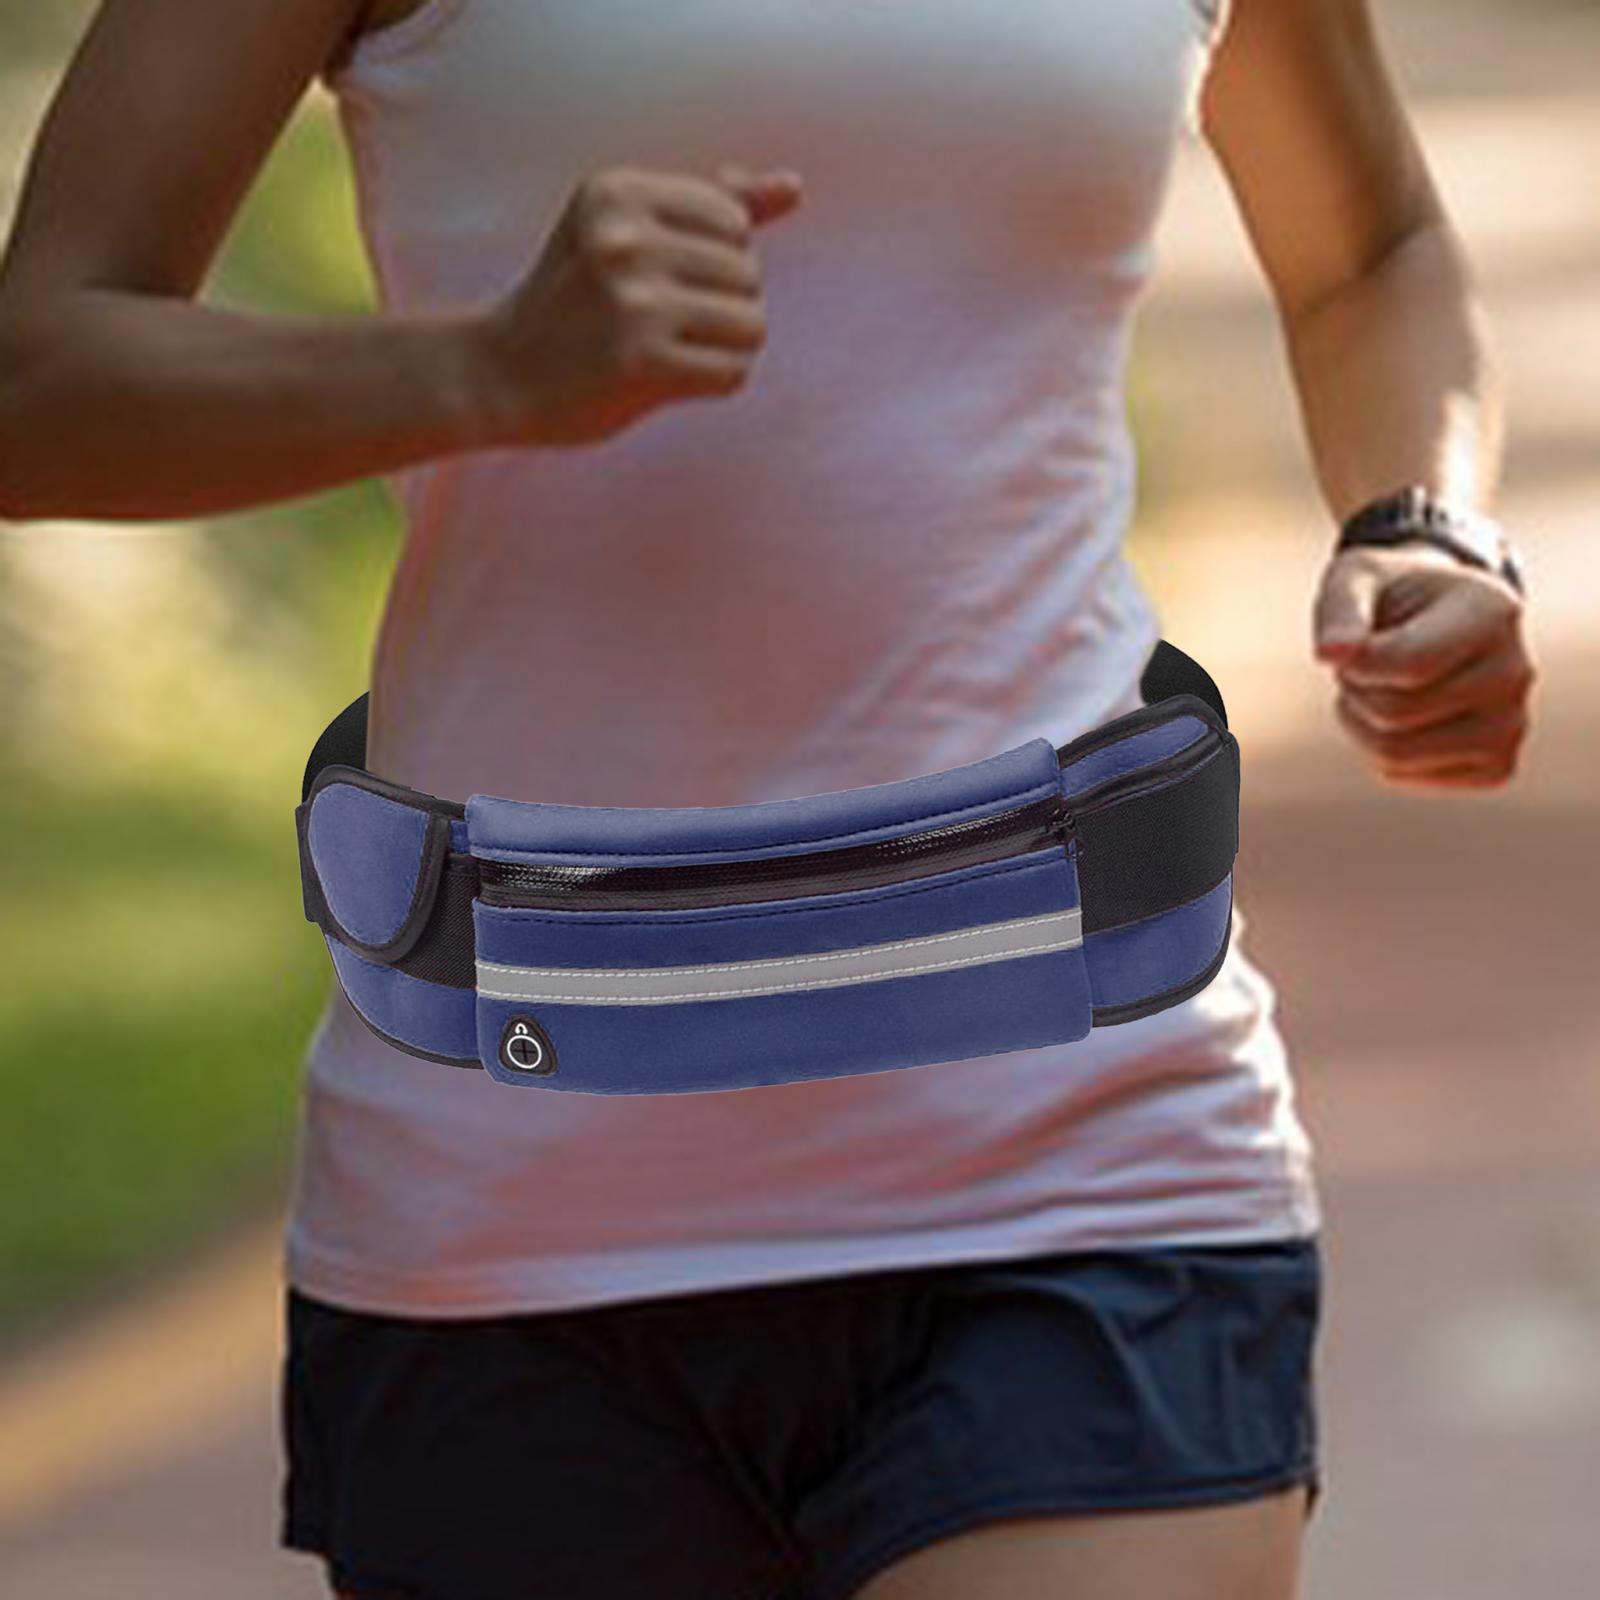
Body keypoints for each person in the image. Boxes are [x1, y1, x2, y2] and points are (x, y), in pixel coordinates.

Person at [0, 0, 1535, 1595]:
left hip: (1091, 1156)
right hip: (517, 1221)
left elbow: (1376, 250)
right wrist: (482, 370)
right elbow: (38, 379)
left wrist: (1422, 523)